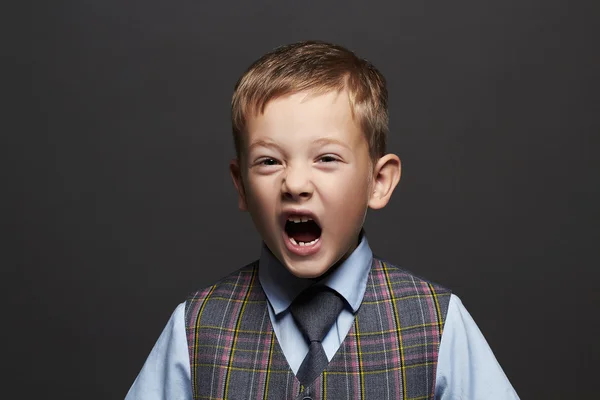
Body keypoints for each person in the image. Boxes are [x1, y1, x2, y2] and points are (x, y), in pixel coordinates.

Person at [125, 41, 519, 399]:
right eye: (269, 161)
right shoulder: (196, 330)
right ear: (241, 186)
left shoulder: (437, 324)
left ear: (378, 182)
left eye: (326, 158)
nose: (294, 183)